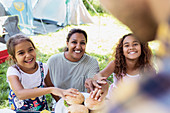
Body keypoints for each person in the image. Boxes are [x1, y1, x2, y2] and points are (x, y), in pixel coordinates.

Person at [6, 34, 78, 111]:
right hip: (20, 108)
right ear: (13, 58)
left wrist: (61, 103)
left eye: (30, 50)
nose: (28, 55)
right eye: (21, 53)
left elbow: (50, 85)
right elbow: (20, 94)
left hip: (40, 106)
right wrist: (51, 89)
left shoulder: (43, 68)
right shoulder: (13, 71)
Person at [85, 33, 156, 101]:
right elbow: (100, 74)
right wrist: (99, 79)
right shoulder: (116, 64)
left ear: (142, 47)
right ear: (122, 50)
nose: (131, 48)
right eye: (127, 45)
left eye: (135, 44)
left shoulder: (148, 68)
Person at [46, 28, 99, 108]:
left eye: (82, 43)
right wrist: (61, 102)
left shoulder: (92, 62)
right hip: (59, 104)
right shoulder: (53, 61)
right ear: (67, 43)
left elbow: (91, 88)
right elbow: (49, 85)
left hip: (82, 106)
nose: (78, 47)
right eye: (74, 42)